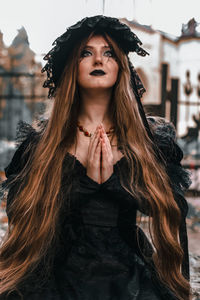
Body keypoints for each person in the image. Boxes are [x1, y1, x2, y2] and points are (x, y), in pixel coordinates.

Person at [0, 15, 192, 300]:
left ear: (121, 67)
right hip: (57, 273)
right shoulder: (43, 142)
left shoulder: (148, 139)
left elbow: (171, 207)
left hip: (130, 275)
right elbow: (19, 209)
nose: (98, 60)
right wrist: (86, 182)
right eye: (86, 53)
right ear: (72, 67)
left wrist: (116, 184)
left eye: (109, 53)